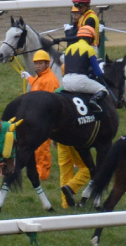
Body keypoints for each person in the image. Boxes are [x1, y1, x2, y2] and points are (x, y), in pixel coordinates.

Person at [20, 50, 60, 180]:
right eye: (36, 63)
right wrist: (29, 78)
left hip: (44, 120)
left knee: (43, 147)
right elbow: (37, 85)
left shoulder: (49, 80)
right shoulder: (40, 76)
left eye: (40, 63)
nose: (37, 66)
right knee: (36, 147)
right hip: (36, 119)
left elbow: (46, 100)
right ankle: (37, 170)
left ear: (47, 64)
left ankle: (43, 174)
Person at [62, 25, 107, 112]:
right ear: (90, 38)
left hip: (66, 81)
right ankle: (93, 101)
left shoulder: (68, 48)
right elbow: (98, 72)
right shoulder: (90, 49)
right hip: (80, 81)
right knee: (103, 90)